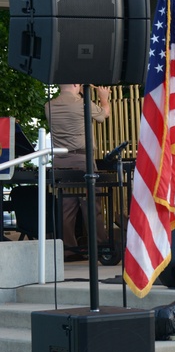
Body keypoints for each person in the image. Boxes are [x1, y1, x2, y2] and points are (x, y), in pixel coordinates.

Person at [45, 84, 111, 259]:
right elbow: (104, 116)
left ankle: (68, 250)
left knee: (66, 207)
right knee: (91, 205)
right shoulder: (82, 103)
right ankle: (100, 247)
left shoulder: (49, 105)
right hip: (82, 160)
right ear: (76, 85)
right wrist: (103, 97)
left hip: (60, 161)